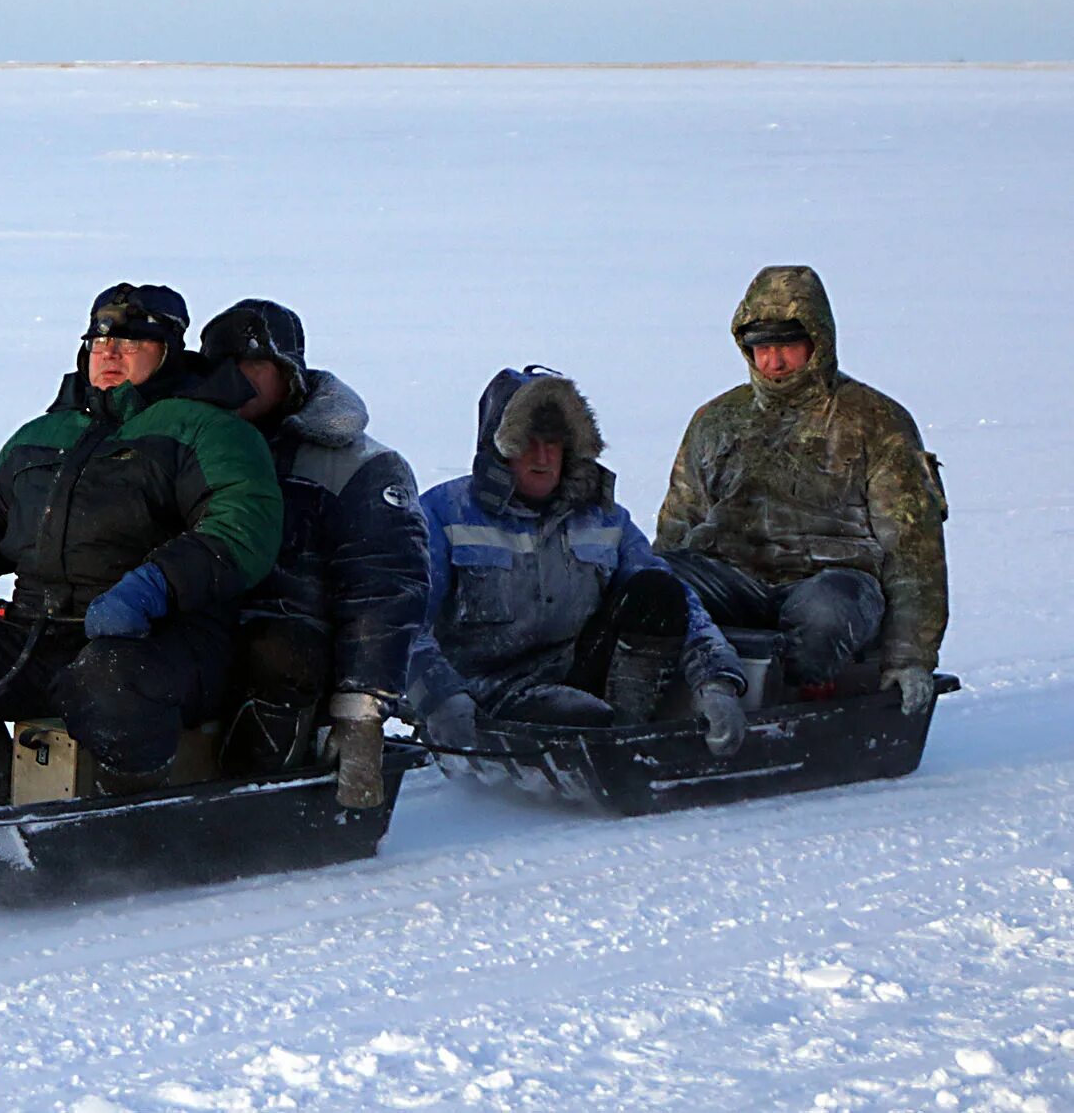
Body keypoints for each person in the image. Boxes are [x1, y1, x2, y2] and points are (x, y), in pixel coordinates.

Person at [0, 283, 283, 801]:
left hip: (163, 641)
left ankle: (126, 821)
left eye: (131, 343)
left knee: (107, 681)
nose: (110, 353)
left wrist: (153, 587)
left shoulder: (211, 431)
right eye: (99, 342)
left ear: (168, 352)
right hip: (39, 630)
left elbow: (241, 528)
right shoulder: (44, 431)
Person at [409, 367, 748, 756]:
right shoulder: (444, 514)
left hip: (578, 673)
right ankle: (601, 733)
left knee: (657, 591)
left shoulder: (604, 518)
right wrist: (439, 698)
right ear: (499, 450)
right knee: (575, 720)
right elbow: (403, 621)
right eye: (527, 442)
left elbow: (680, 600)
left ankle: (627, 726)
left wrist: (716, 681)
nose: (542, 457)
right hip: (489, 694)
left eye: (553, 442)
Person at [656, 265, 948, 714]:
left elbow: (914, 552)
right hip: (734, 580)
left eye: (787, 346)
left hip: (832, 584)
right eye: (761, 348)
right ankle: (656, 699)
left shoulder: (876, 421)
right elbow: (679, 524)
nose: (773, 363)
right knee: (651, 582)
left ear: (818, 341)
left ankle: (803, 702)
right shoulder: (716, 420)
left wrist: (910, 658)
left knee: (829, 611)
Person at [197, 299, 428, 808]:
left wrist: (361, 707)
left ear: (290, 373)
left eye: (254, 364)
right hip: (210, 636)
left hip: (301, 664)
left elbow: (386, 588)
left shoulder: (360, 466)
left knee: (282, 650)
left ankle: (255, 805)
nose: (238, 380)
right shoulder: (192, 449)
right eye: (225, 366)